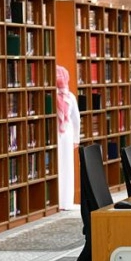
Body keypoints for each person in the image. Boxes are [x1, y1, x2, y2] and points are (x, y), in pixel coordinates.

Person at [56, 65, 81, 210]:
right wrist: (76, 139)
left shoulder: (51, 95)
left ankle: (58, 201)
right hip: (67, 135)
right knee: (67, 168)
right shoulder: (69, 96)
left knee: (58, 168)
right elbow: (76, 119)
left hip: (58, 136)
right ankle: (66, 201)